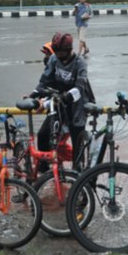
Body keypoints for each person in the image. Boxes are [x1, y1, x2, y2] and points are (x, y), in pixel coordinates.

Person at [30, 33, 92, 167]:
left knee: (77, 143)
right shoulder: (53, 59)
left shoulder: (80, 63)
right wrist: (33, 96)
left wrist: (65, 97)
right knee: (43, 135)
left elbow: (80, 88)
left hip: (77, 106)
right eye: (56, 52)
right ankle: (44, 170)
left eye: (62, 53)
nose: (58, 56)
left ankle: (78, 172)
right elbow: (44, 81)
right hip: (58, 104)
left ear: (69, 50)